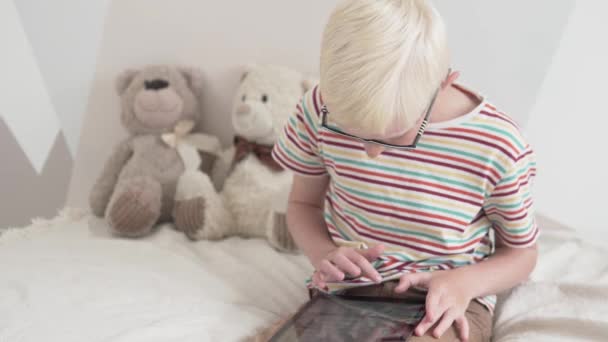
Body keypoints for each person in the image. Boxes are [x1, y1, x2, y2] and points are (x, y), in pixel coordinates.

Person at [271, 0, 539, 341]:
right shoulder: (318, 108)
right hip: (349, 292)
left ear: (445, 82)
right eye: (348, 129)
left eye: (395, 136)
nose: (371, 152)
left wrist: (463, 283)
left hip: (443, 299)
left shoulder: (498, 145)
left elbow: (522, 255)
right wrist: (324, 253)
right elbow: (302, 205)